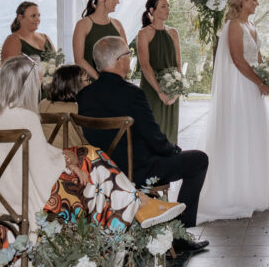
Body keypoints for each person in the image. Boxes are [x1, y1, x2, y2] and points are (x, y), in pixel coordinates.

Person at [0, 56, 185, 238]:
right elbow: (42, 168)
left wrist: (66, 157)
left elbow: (33, 152)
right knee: (94, 178)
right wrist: (71, 164)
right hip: (30, 195)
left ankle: (139, 204)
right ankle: (133, 210)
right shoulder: (25, 116)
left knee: (91, 154)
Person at [77, 36, 210, 255]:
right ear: (120, 60)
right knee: (198, 160)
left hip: (103, 175)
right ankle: (180, 235)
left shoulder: (84, 96)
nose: (130, 60)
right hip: (138, 172)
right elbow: (155, 139)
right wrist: (173, 151)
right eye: (128, 56)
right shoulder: (132, 93)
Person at [197, 0, 269, 221]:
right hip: (239, 87)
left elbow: (256, 58)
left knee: (253, 134)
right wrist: (259, 81)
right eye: (254, 0)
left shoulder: (252, 27)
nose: (257, 3)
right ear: (242, 1)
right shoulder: (234, 26)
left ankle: (255, 189)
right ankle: (235, 191)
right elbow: (238, 61)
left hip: (252, 87)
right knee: (239, 133)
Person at [136, 0, 183, 143]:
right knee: (154, 132)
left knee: (170, 131)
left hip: (172, 89)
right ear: (152, 10)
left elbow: (178, 65)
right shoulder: (144, 33)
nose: (167, 9)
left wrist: (176, 91)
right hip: (152, 89)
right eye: (163, 6)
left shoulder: (173, 33)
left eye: (168, 6)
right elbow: (145, 66)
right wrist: (160, 91)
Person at [72, 0, 127, 79]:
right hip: (92, 84)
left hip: (116, 83)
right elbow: (79, 59)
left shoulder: (118, 24)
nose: (117, 1)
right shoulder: (82, 24)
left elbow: (125, 54)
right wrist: (100, 79)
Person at [37, 64, 88, 149]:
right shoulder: (76, 109)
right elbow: (79, 143)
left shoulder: (43, 104)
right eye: (87, 80)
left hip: (45, 155)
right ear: (76, 85)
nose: (90, 84)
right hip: (68, 158)